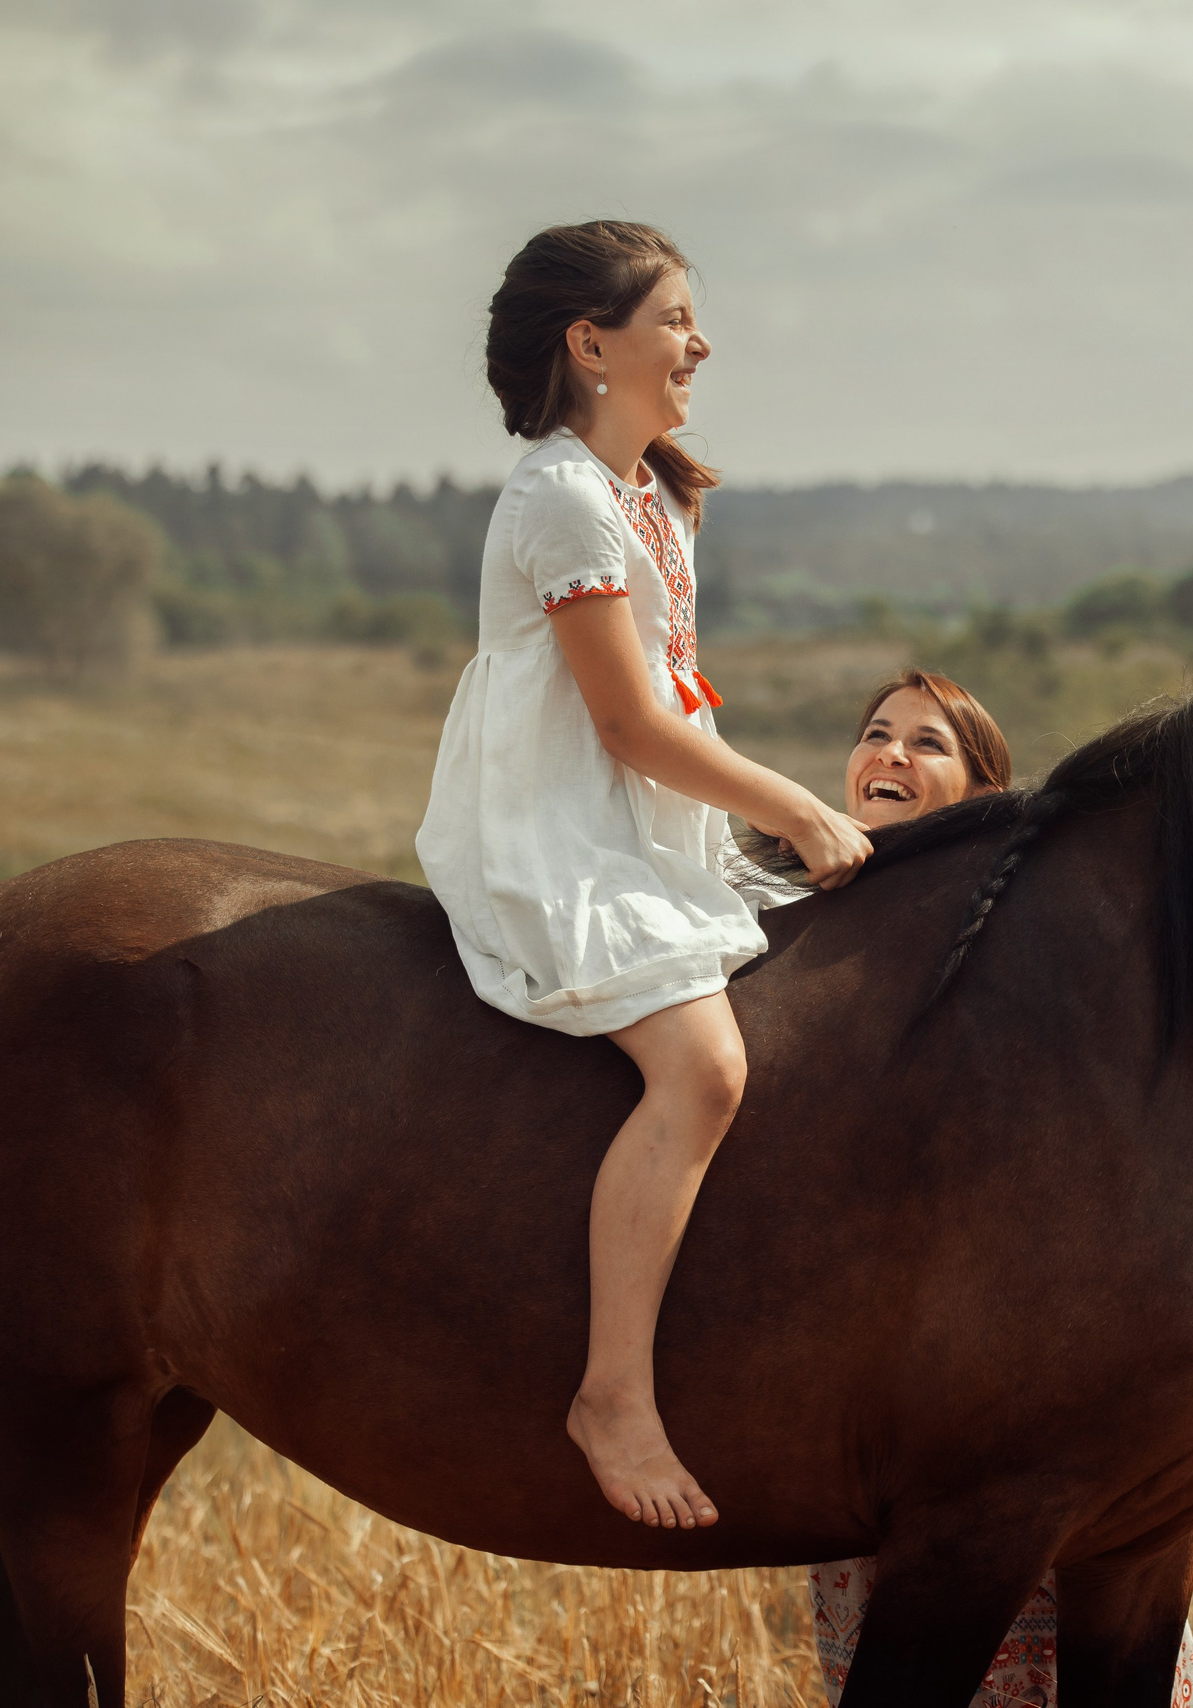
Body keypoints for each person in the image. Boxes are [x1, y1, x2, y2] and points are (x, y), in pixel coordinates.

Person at [416, 221, 871, 1532]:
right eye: (676, 318)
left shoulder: (649, 497)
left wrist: (748, 831)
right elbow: (623, 725)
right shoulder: (557, 495)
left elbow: (678, 712)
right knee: (705, 1066)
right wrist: (795, 806)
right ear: (591, 342)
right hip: (558, 831)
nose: (699, 344)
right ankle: (611, 1391)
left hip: (650, 825)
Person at [800, 671, 1193, 1708]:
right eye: (875, 734)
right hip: (869, 1392)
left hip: (1015, 1381)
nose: (888, 754)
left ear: (985, 791)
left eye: (925, 743)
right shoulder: (800, 918)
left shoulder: (1017, 952)